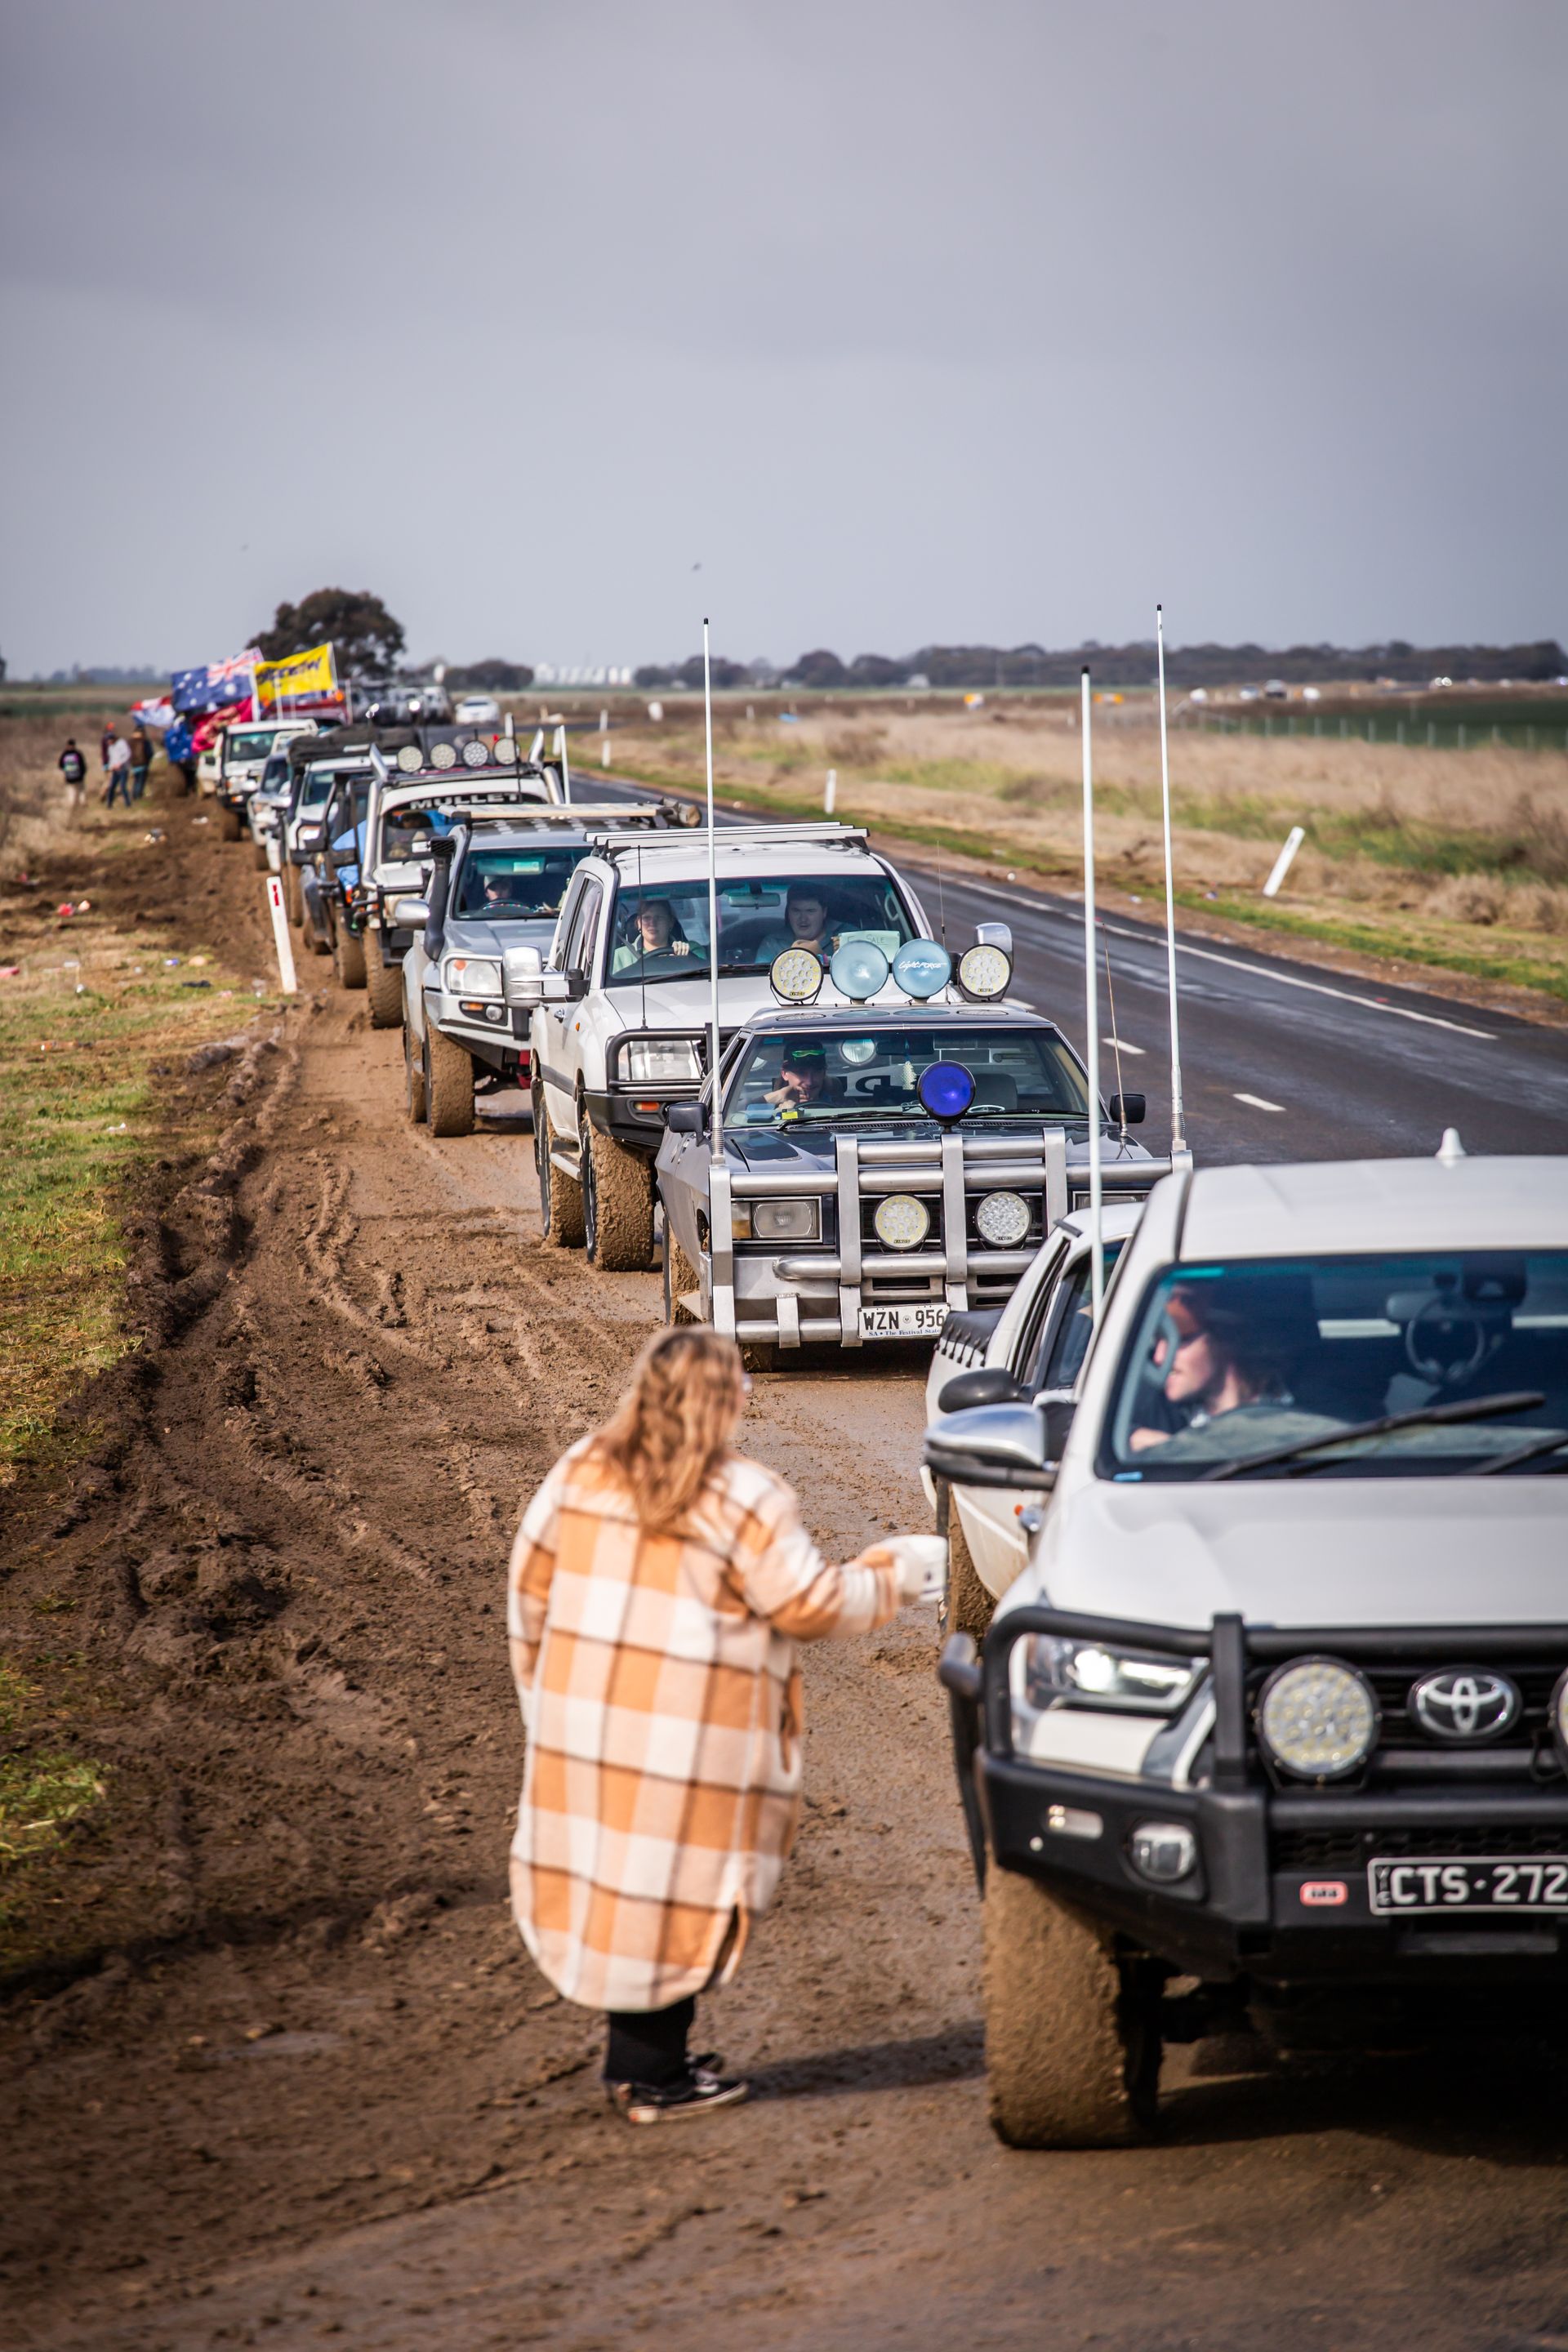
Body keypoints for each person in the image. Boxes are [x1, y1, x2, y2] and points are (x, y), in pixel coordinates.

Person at [507, 1327, 942, 2124]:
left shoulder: (581, 1469)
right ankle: (652, 2080)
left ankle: (649, 2061)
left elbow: (528, 1593)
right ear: (720, 1399)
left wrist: (544, 1700)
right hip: (691, 1738)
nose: (747, 1389)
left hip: (589, 1720)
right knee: (680, 1891)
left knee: (621, 1885)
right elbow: (809, 1605)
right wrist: (899, 1573)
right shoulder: (745, 1496)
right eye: (738, 1378)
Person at [611, 898, 693, 973]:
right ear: (639, 923)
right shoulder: (618, 956)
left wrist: (685, 959)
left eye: (659, 918)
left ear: (670, 922)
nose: (652, 923)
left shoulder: (690, 949)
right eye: (646, 918)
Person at [756, 885, 832, 965]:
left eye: (810, 911)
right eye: (796, 911)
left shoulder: (839, 939)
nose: (803, 919)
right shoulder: (772, 944)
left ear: (824, 912)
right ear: (788, 912)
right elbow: (760, 972)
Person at [764, 1042, 829, 1111]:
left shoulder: (836, 1105)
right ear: (785, 1073)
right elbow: (754, 1110)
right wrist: (779, 1097)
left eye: (817, 1071)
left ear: (824, 1073)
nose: (809, 1082)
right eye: (801, 1072)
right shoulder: (769, 1112)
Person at [104, 733, 133, 808]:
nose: (108, 742)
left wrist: (120, 763)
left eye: (109, 740)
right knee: (112, 787)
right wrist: (111, 767)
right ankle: (109, 804)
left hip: (123, 769)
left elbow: (127, 754)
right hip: (115, 770)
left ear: (113, 739)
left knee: (123, 786)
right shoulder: (110, 748)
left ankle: (128, 804)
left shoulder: (121, 743)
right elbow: (111, 759)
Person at [58, 738, 87, 812]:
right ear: (74, 745)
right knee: (81, 790)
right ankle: (83, 802)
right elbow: (83, 765)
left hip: (69, 777)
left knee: (71, 791)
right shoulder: (78, 753)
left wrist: (67, 770)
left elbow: (60, 765)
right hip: (79, 777)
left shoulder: (64, 754)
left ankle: (72, 805)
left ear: (67, 745)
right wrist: (83, 774)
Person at [128, 724, 154, 801]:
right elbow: (150, 753)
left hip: (134, 764)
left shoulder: (130, 741)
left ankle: (134, 795)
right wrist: (148, 760)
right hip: (143, 764)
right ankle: (138, 796)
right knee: (141, 780)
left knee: (136, 780)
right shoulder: (145, 741)